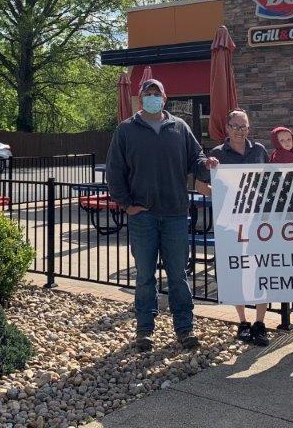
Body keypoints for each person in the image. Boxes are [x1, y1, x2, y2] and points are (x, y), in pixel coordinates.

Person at [106, 78, 218, 353]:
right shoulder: (126, 130)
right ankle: (145, 330)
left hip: (176, 215)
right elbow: (115, 170)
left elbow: (197, 159)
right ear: (141, 98)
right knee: (145, 276)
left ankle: (185, 328)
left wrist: (207, 165)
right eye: (148, 93)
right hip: (142, 216)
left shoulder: (179, 128)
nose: (153, 97)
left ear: (165, 99)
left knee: (178, 275)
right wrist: (126, 204)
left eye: (157, 93)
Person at [204, 109, 272, 346]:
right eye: (235, 126)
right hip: (230, 223)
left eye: (244, 127)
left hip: (257, 221)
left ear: (249, 128)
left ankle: (260, 322)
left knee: (261, 269)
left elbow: (269, 182)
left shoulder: (260, 151)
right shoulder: (217, 154)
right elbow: (201, 185)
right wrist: (222, 196)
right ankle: (243, 321)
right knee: (237, 269)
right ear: (228, 128)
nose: (240, 131)